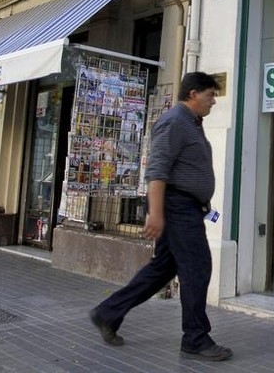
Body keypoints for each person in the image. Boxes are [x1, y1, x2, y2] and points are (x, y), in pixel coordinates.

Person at [89, 72, 232, 362]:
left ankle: (108, 313)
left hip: (185, 207)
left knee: (163, 269)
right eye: (210, 95)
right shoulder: (175, 122)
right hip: (177, 207)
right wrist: (155, 213)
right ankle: (195, 338)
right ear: (193, 94)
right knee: (197, 267)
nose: (214, 101)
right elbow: (157, 170)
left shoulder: (190, 122)